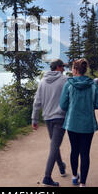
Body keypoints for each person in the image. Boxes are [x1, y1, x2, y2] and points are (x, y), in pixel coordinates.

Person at [59, 59, 98, 187]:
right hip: (88, 124)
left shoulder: (69, 84)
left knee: (74, 150)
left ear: (76, 70)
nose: (71, 70)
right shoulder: (93, 85)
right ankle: (83, 183)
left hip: (72, 123)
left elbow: (62, 105)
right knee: (85, 153)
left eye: (72, 68)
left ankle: (74, 177)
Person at [31, 59, 69, 187]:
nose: (64, 69)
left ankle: (61, 167)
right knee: (54, 146)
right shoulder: (64, 80)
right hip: (60, 117)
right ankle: (47, 177)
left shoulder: (42, 81)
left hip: (47, 118)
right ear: (58, 67)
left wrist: (34, 120)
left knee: (54, 143)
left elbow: (37, 102)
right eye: (62, 67)